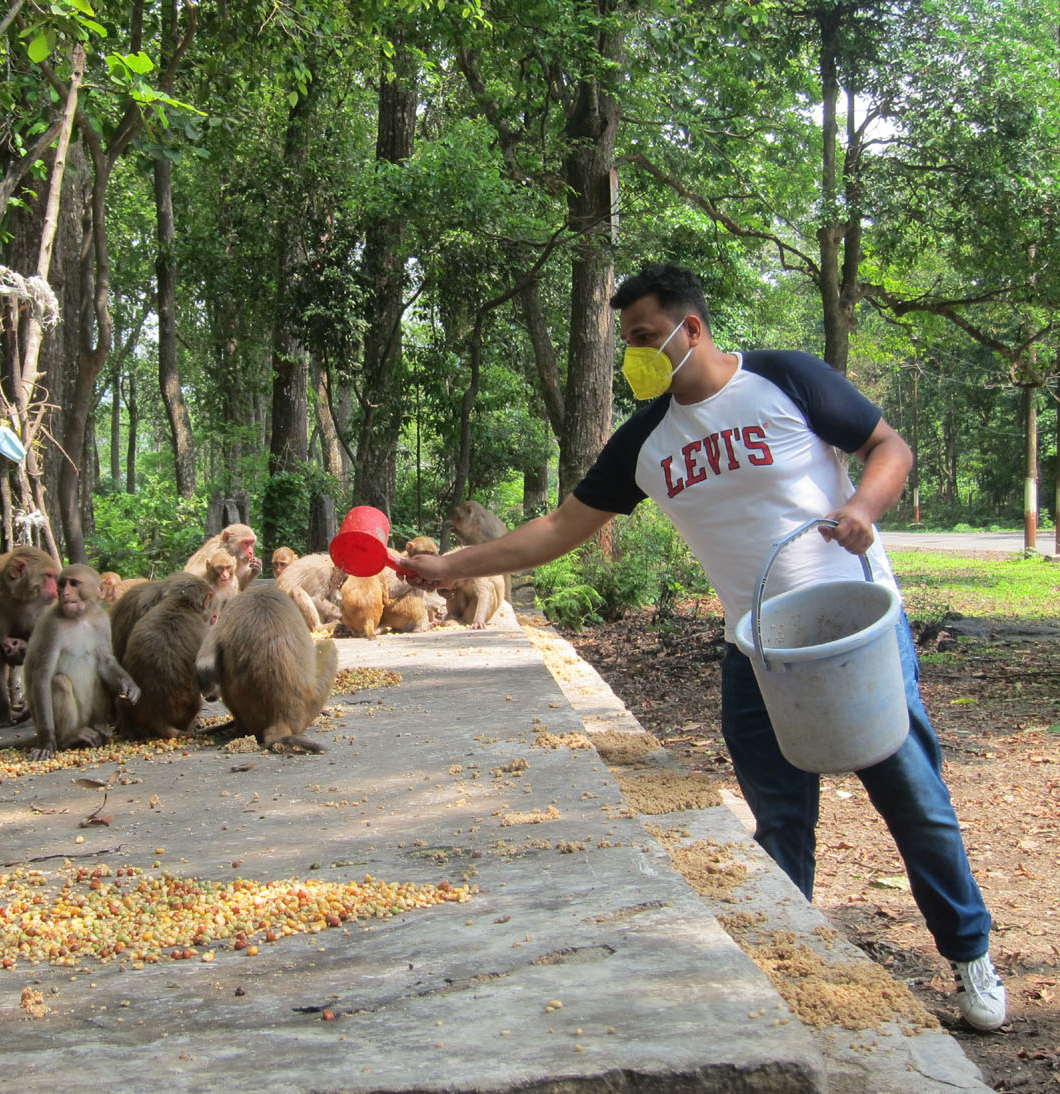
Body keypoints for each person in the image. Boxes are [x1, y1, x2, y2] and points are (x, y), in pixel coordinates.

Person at [403, 263, 1006, 1032]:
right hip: (753, 651)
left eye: (648, 337)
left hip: (855, 631)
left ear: (692, 329)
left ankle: (968, 958)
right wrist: (446, 565)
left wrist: (861, 504)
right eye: (627, 345)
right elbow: (557, 530)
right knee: (780, 820)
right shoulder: (644, 440)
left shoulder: (786, 379)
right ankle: (795, 975)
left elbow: (889, 447)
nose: (637, 358)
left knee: (912, 799)